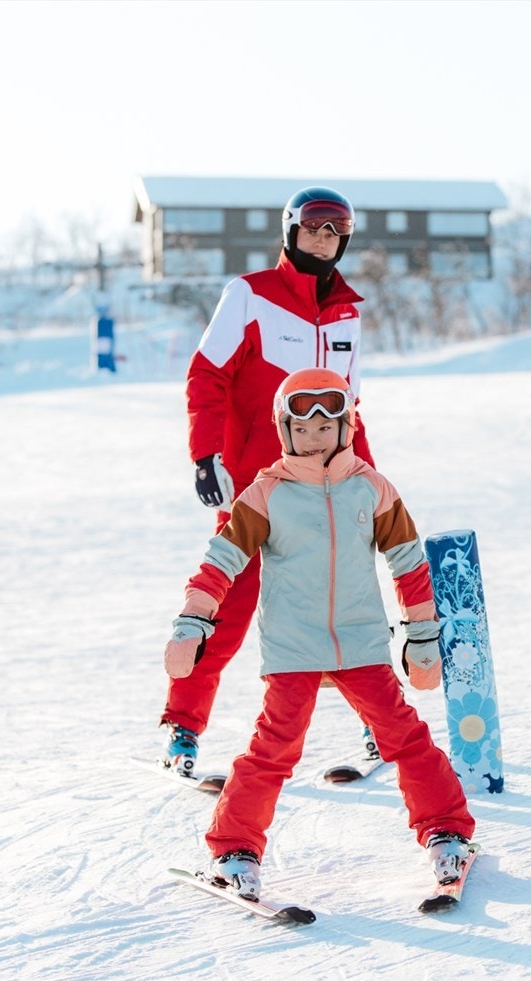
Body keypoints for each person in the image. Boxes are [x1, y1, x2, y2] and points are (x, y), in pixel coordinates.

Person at [164, 369, 475, 898]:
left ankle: (446, 831)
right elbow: (222, 560)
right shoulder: (266, 494)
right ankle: (235, 848)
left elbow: (408, 564)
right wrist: (195, 618)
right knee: (274, 747)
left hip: (360, 641)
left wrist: (422, 632)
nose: (313, 438)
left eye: (325, 427)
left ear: (346, 427)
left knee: (403, 736)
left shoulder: (372, 489)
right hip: (294, 646)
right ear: (284, 430)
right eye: (301, 428)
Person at [161, 186, 382, 780]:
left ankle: (378, 728)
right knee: (227, 605)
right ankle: (182, 730)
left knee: (340, 606)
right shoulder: (250, 295)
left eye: (336, 231)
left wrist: (369, 477)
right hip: (255, 487)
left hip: (327, 490)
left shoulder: (347, 314)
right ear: (290, 231)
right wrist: (206, 455)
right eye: (313, 228)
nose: (324, 239)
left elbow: (349, 406)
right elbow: (206, 376)